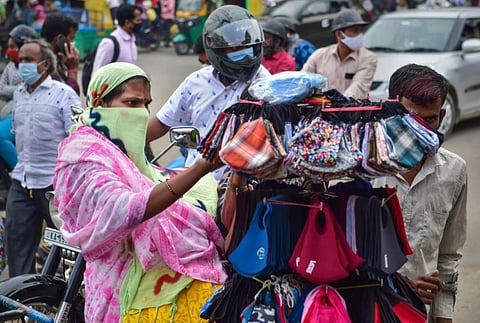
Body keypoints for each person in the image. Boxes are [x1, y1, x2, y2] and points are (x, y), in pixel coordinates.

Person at [53, 62, 226, 322]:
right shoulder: (85, 154)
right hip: (117, 285)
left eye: (146, 104)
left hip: (152, 285)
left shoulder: (126, 152)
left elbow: (150, 181)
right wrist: (200, 169)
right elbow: (126, 208)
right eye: (131, 103)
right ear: (101, 102)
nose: (143, 113)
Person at [372, 64, 467, 323]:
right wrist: (400, 286)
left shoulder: (454, 171)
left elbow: (448, 254)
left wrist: (443, 314)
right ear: (392, 109)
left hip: (420, 315)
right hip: (369, 309)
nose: (421, 130)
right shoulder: (364, 171)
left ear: (442, 114)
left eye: (430, 120)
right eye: (411, 118)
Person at [146, 5, 270, 180]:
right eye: (234, 49)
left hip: (242, 190)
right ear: (216, 49)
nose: (245, 54)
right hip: (192, 187)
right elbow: (162, 123)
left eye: (248, 46)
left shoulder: (265, 86)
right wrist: (117, 142)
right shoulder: (196, 82)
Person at [4, 38, 81, 277]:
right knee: (16, 247)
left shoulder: (63, 95)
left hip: (55, 187)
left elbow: (77, 139)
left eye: (28, 60)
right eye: (20, 61)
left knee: (72, 248)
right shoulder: (19, 94)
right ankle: (20, 303)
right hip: (22, 183)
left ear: (45, 65)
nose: (22, 65)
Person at [301, 9, 377, 99]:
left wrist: (341, 102)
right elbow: (302, 82)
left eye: (361, 31)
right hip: (320, 109)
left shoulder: (368, 58)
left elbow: (358, 87)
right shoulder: (319, 56)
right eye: (354, 31)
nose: (359, 36)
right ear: (339, 34)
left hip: (352, 110)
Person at [0, 25, 39, 172]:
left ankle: (21, 172)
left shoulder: (31, 67)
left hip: (25, 113)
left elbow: (27, 88)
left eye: (13, 46)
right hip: (10, 112)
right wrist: (17, 90)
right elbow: (1, 89)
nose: (9, 50)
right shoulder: (10, 66)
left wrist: (13, 90)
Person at [92, 3, 142, 76]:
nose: (140, 23)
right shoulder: (109, 44)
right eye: (138, 20)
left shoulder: (132, 41)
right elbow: (97, 74)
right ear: (127, 22)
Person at [40, 12, 81, 95]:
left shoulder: (54, 58)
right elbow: (70, 97)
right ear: (59, 39)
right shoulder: (47, 65)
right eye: (71, 38)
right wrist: (72, 69)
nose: (72, 43)